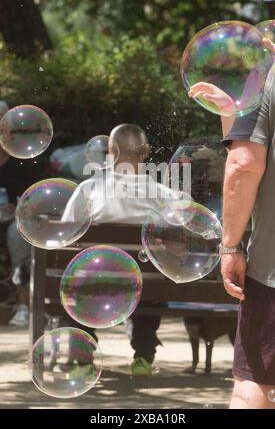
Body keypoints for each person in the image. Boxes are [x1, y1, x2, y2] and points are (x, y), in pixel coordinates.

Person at [189, 60, 275, 407]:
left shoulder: (269, 74)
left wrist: (230, 247)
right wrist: (232, 115)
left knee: (256, 387)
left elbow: (245, 163)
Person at [64, 123, 177, 376]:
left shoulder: (89, 190)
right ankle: (143, 356)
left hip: (94, 282)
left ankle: (83, 361)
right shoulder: (165, 195)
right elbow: (180, 239)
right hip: (146, 285)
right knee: (150, 285)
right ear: (146, 151)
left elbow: (67, 237)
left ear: (110, 150)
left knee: (76, 282)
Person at [0, 101, 52, 326]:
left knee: (18, 234)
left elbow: (36, 195)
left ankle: (23, 304)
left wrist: (18, 206)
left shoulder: (26, 159)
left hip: (15, 219)